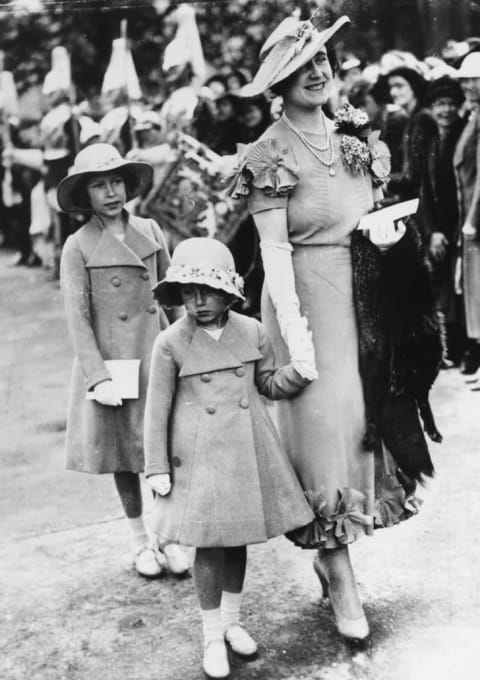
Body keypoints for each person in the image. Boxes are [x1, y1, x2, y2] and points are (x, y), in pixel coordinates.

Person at [226, 12, 437, 644]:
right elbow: (275, 254)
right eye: (301, 66)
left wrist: (390, 237)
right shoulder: (269, 153)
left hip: (364, 298)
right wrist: (296, 337)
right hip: (305, 302)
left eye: (323, 60)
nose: (318, 72)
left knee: (362, 428)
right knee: (323, 435)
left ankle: (335, 559)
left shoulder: (354, 134)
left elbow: (369, 215)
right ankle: (340, 576)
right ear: (279, 83)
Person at [144, 238, 314, 679]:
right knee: (208, 548)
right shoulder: (170, 342)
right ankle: (210, 636)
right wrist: (157, 466)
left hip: (244, 451)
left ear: (230, 292)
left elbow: (267, 384)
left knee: (236, 541)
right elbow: (156, 410)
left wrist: (297, 373)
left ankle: (233, 622)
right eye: (187, 291)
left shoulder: (252, 331)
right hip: (199, 458)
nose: (197, 301)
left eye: (208, 290)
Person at [58, 143, 189, 578]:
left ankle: (167, 536)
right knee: (124, 455)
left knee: (162, 449)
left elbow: (174, 297)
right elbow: (77, 320)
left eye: (116, 181)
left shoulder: (150, 230)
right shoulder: (78, 247)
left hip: (155, 357)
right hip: (115, 366)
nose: (111, 192)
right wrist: (97, 377)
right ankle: (139, 542)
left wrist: (189, 346)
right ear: (85, 194)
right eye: (99, 185)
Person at [419, 76, 466, 367]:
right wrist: (432, 231)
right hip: (438, 230)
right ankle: (450, 351)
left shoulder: (463, 136)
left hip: (460, 227)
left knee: (460, 290)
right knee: (442, 292)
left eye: (451, 104)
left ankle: (464, 351)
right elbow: (424, 189)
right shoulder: (430, 139)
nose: (446, 110)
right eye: (440, 104)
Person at [453, 52, 480, 383]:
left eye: (475, 79)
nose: (469, 85)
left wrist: (473, 218)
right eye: (465, 79)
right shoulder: (473, 115)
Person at [386, 65, 437, 201]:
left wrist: (383, 182)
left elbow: (414, 175)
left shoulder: (422, 118)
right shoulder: (413, 117)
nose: (393, 92)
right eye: (391, 87)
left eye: (399, 86)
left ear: (414, 86)